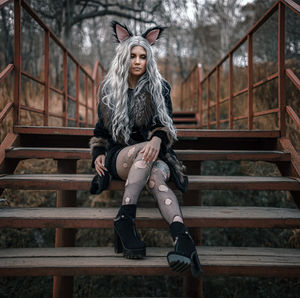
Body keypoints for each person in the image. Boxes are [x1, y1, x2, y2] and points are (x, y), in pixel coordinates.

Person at [89, 21, 202, 277]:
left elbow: (165, 124)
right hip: (121, 157)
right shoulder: (109, 90)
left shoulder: (159, 88)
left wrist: (157, 139)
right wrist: (98, 155)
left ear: (148, 58)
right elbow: (100, 132)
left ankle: (182, 238)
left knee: (157, 178)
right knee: (143, 154)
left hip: (155, 155)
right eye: (132, 56)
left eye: (142, 56)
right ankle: (127, 219)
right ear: (123, 56)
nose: (138, 61)